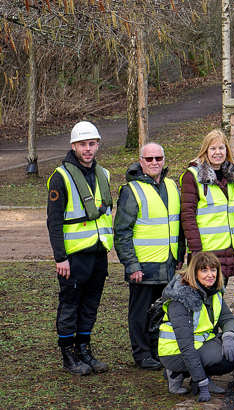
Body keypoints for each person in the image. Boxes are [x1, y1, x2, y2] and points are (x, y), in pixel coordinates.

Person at [46, 121, 113, 375]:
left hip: (98, 252)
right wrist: (60, 257)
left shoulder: (103, 174)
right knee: (70, 303)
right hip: (73, 257)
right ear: (74, 146)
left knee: (91, 304)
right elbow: (53, 221)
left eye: (92, 144)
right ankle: (68, 354)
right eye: (83, 144)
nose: (88, 149)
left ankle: (84, 348)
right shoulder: (60, 177)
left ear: (97, 145)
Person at [114, 142, 186, 370]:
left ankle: (158, 351)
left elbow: (179, 225)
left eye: (158, 158)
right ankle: (142, 353)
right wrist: (131, 264)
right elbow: (122, 231)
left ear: (164, 160)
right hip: (143, 267)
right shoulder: (131, 190)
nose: (154, 163)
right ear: (141, 161)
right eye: (149, 159)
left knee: (163, 312)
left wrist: (180, 256)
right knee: (140, 313)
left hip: (168, 263)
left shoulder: (172, 186)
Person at [158, 252, 234, 402]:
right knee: (226, 360)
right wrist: (203, 383)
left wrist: (228, 337)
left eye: (213, 270)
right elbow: (186, 347)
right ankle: (176, 372)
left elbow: (227, 319)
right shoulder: (181, 298)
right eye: (204, 270)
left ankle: (193, 374)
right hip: (175, 352)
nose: (210, 275)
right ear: (194, 272)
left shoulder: (212, 291)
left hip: (200, 344)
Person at [180, 129, 234, 283]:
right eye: (212, 148)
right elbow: (187, 216)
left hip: (229, 249)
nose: (217, 153)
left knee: (218, 301)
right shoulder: (193, 176)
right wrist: (196, 250)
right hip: (206, 250)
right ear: (205, 151)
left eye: (221, 148)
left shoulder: (233, 177)